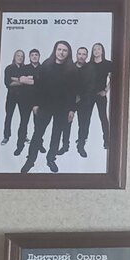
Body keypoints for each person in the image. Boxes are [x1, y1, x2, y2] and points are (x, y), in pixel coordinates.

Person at [20, 40, 78, 174]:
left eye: (64, 50)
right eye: (59, 49)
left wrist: (72, 109)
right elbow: (38, 87)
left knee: (56, 135)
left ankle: (51, 159)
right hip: (45, 105)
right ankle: (30, 160)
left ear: (68, 53)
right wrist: (35, 104)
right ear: (55, 50)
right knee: (37, 134)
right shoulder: (46, 65)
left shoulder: (72, 70)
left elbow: (73, 91)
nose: (61, 52)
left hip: (62, 108)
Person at [75, 41, 112, 155]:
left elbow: (113, 78)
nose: (96, 51)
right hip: (88, 95)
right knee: (85, 119)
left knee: (103, 117)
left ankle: (107, 140)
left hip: (100, 95)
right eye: (94, 49)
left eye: (98, 49)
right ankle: (81, 143)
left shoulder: (107, 64)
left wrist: (106, 90)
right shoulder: (88, 65)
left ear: (102, 51)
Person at [12, 49, 42, 158]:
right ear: (29, 57)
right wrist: (36, 80)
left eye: (36, 55)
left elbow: (44, 82)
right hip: (25, 101)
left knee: (38, 125)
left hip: (38, 101)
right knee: (23, 123)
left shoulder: (43, 68)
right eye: (32, 55)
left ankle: (39, 144)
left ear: (39, 56)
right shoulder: (24, 68)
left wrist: (30, 78)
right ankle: (19, 146)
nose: (34, 56)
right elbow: (21, 80)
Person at [62, 46, 90, 156]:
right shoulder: (69, 68)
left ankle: (81, 146)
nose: (81, 56)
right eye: (79, 54)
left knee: (83, 125)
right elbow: (66, 86)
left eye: (84, 54)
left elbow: (90, 86)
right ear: (76, 55)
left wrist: (81, 97)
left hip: (84, 101)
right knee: (66, 123)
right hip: (69, 101)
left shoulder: (90, 69)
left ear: (86, 56)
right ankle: (65, 146)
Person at [0, 49, 29, 146]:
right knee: (9, 116)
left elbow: (28, 82)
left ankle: (23, 136)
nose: (20, 58)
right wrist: (21, 81)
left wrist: (15, 79)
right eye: (18, 56)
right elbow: (8, 83)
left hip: (23, 96)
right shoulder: (9, 68)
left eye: (22, 56)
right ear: (14, 57)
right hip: (11, 96)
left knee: (24, 117)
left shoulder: (25, 69)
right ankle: (6, 136)